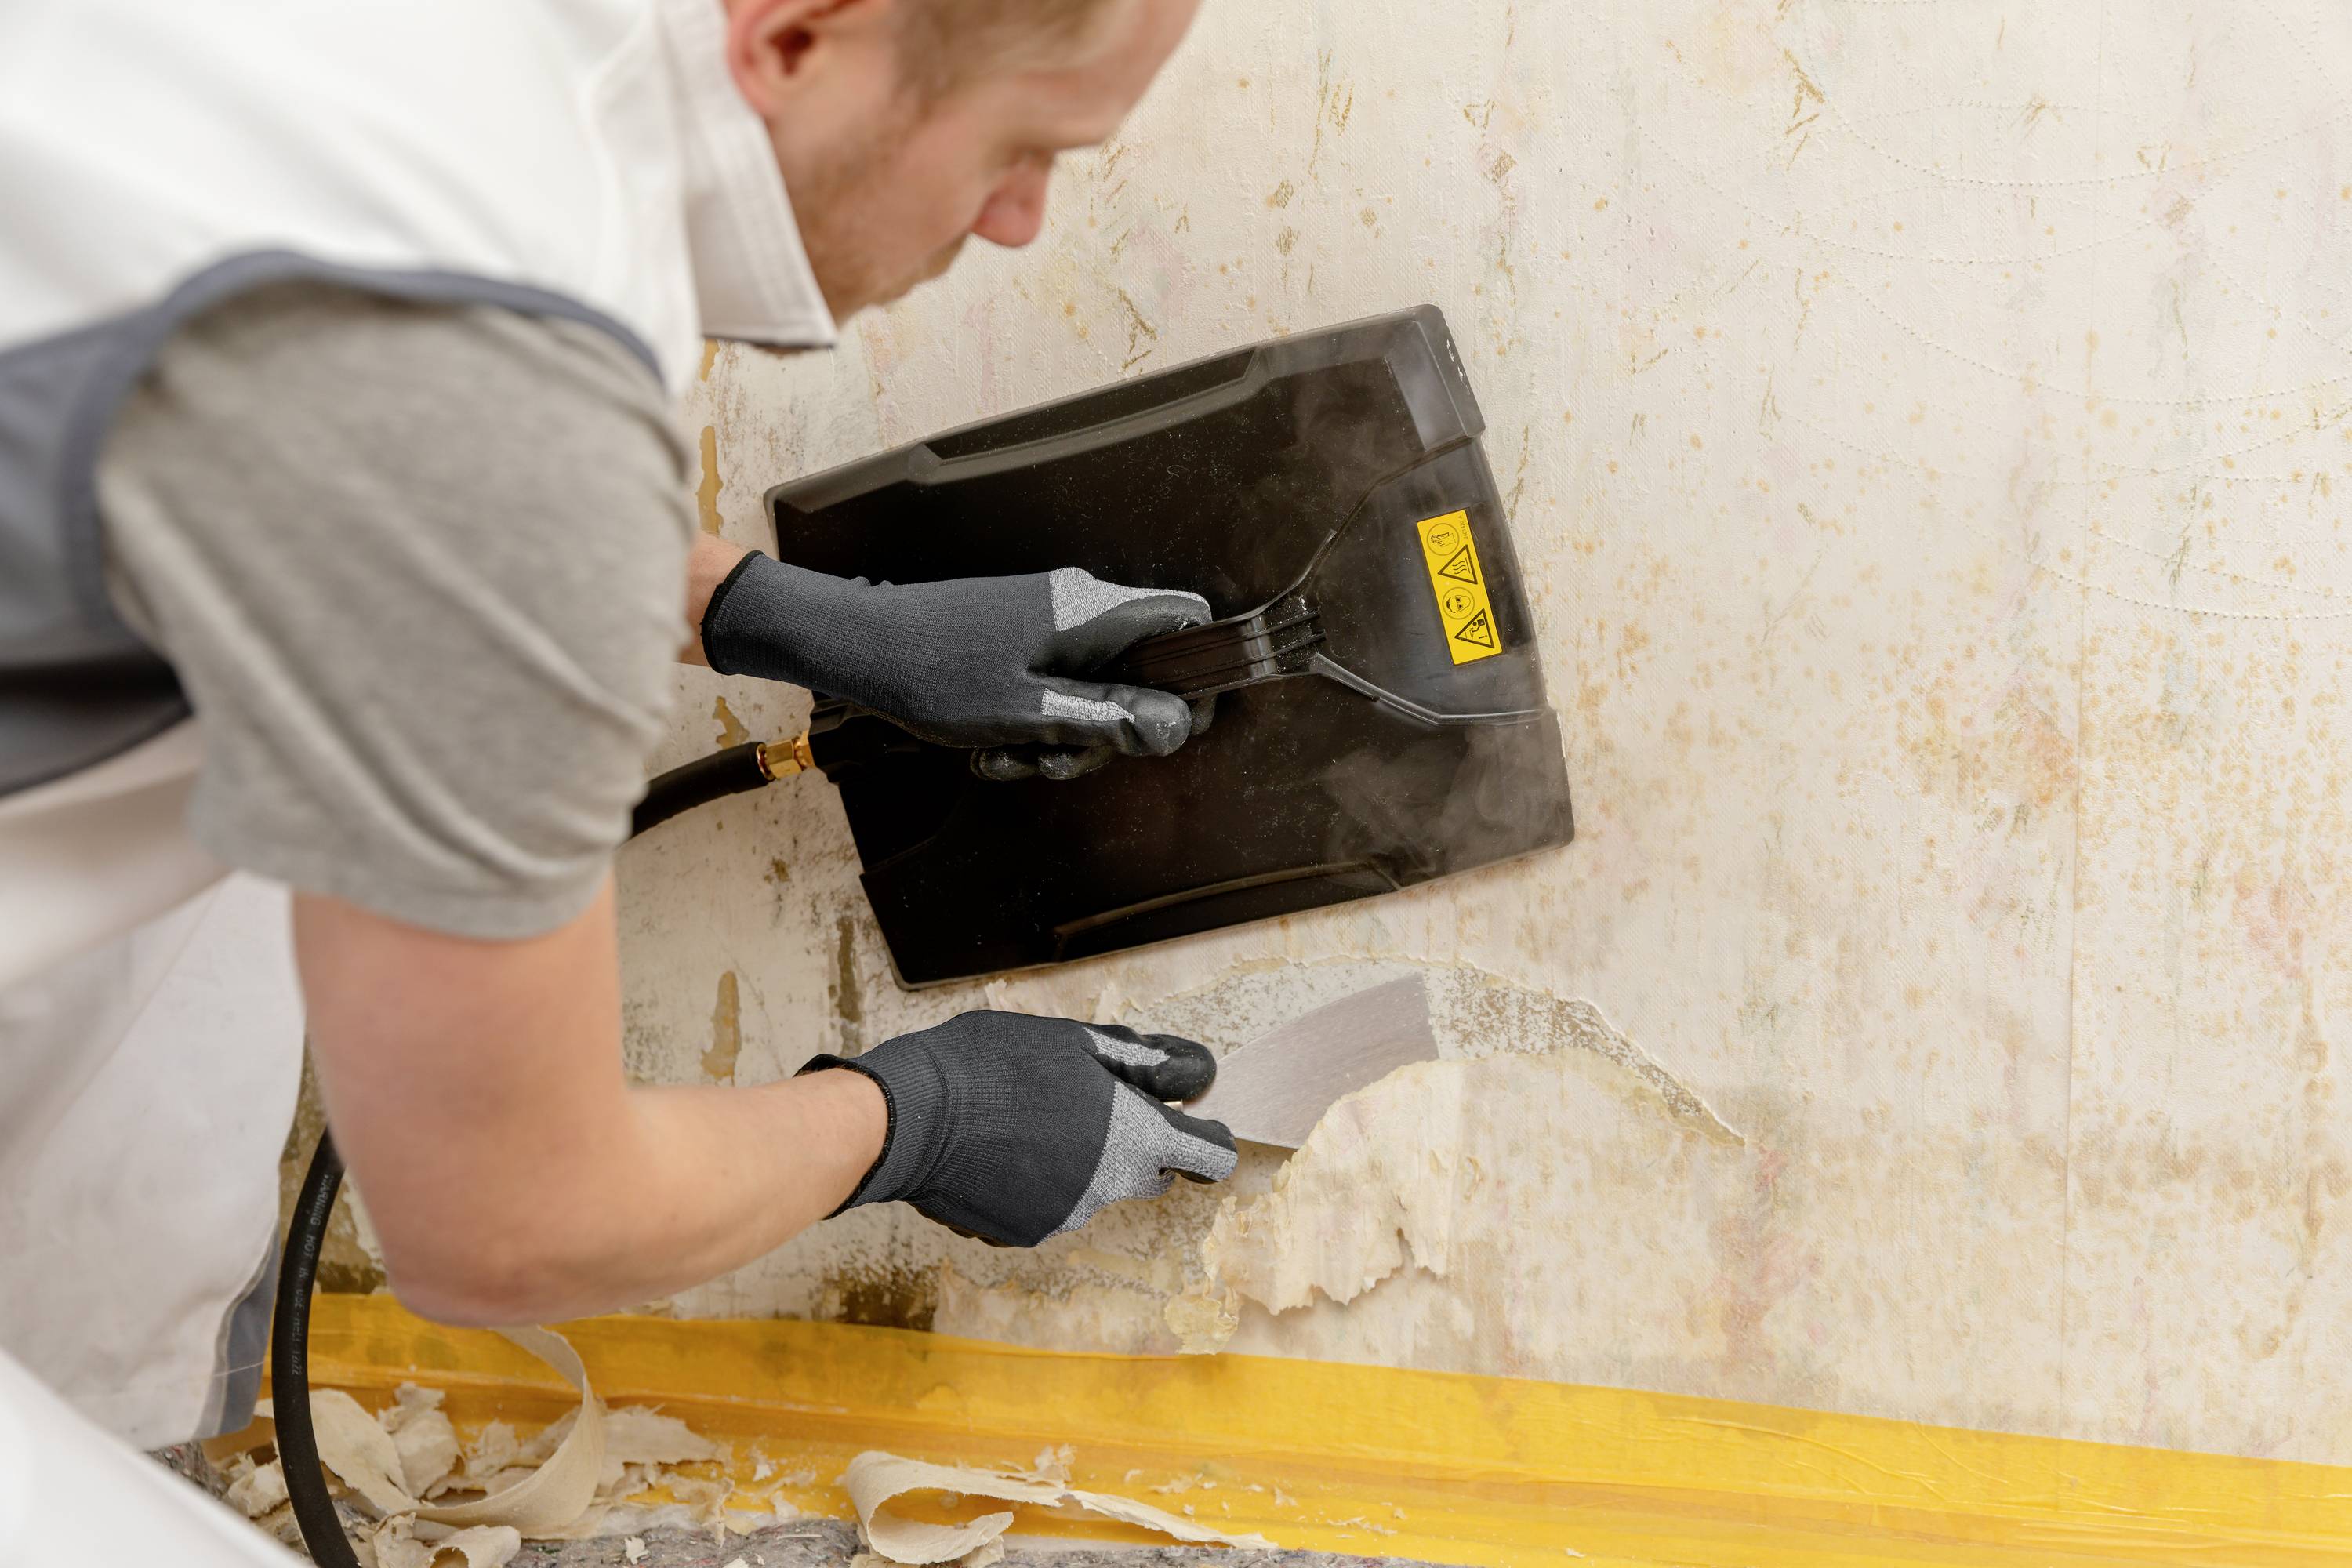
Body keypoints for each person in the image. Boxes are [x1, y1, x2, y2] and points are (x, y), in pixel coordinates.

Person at [0, 0, 1235, 1557]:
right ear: (800, 35)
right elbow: (508, 1221)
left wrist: (758, 609)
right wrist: (920, 1114)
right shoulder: (520, 367)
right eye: (1021, 144)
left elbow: (335, 452)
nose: (1019, 218)